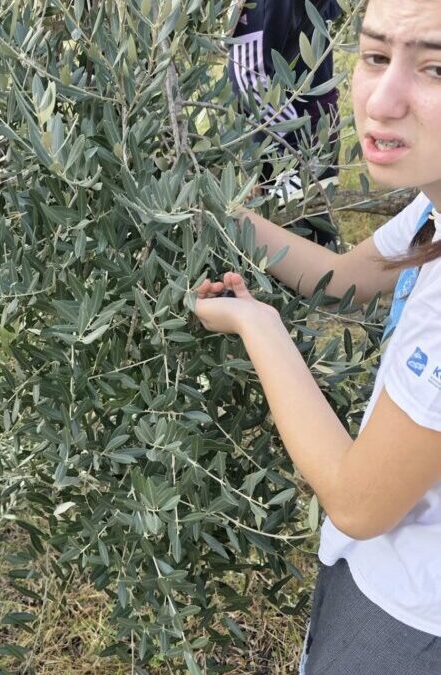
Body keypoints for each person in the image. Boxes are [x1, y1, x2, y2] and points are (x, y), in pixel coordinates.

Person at [197, 1, 441, 672]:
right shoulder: (433, 203)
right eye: (373, 56)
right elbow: (344, 278)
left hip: (413, 619)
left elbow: (359, 499)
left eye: (435, 68)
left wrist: (257, 322)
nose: (382, 101)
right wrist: (217, 212)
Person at [228, 0, 342, 245]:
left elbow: (328, 15)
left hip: (318, 115)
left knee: (316, 222)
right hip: (289, 130)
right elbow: (249, 76)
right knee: (293, 231)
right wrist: (293, 139)